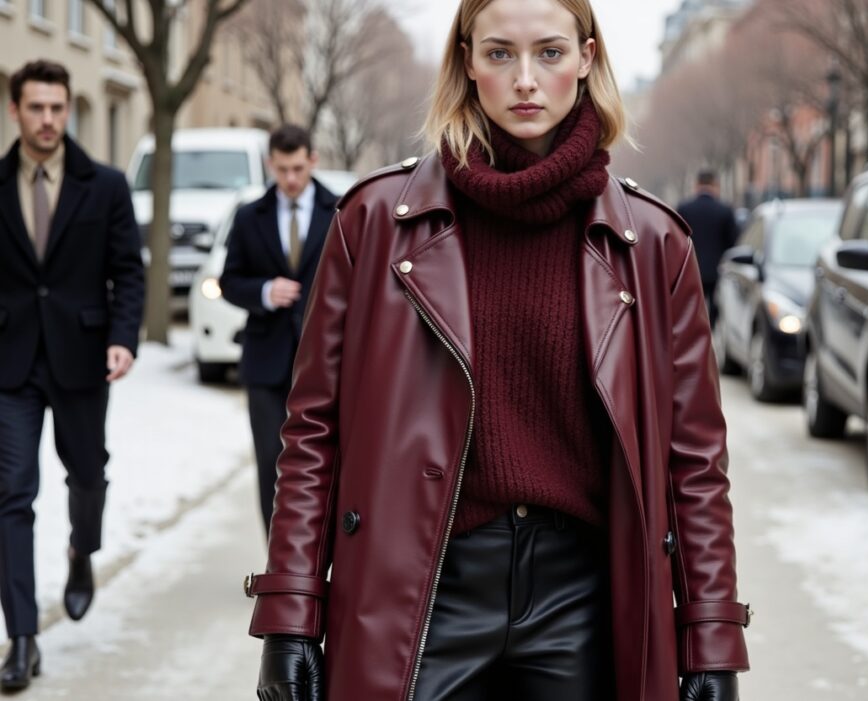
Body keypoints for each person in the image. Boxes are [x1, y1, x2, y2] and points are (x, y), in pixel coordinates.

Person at [246, 0, 750, 699]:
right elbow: (312, 434)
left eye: (549, 52)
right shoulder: (372, 224)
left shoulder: (654, 244)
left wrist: (712, 633)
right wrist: (290, 613)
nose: (524, 80)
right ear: (466, 61)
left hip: (584, 597)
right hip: (424, 586)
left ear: (587, 59)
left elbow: (695, 462)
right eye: (499, 53)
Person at [0, 60, 144, 691]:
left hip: (84, 357)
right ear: (16, 111)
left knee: (87, 475)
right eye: (36, 108)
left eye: (58, 107)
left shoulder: (105, 185)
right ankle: (23, 637)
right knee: (11, 494)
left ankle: (81, 552)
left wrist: (122, 338)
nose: (49, 119)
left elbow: (129, 272)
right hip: (10, 364)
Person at [219, 124, 337, 535]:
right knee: (271, 461)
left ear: (313, 161)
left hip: (326, 362)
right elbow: (228, 281)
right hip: (266, 362)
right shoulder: (250, 217)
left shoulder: (341, 211)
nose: (290, 179)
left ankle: (320, 556)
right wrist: (265, 291)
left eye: (298, 168)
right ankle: (277, 564)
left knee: (325, 462)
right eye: (282, 169)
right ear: (270, 164)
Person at [676, 169, 740, 326]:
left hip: (690, 269)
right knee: (714, 308)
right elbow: (733, 243)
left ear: (696, 185)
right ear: (715, 185)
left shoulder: (684, 209)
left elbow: (677, 241)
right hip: (717, 270)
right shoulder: (725, 210)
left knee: (693, 307)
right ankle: (710, 330)